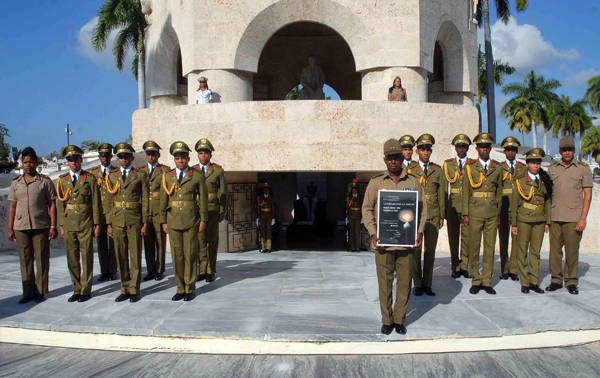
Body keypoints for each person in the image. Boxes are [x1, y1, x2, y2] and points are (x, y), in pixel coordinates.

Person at [362, 139, 426, 335]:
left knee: (405, 283)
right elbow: (366, 209)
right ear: (384, 160)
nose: (393, 162)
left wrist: (419, 232)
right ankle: (387, 320)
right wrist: (373, 232)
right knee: (385, 283)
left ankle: (399, 320)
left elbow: (423, 210)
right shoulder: (376, 182)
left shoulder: (414, 182)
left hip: (406, 243)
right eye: (389, 158)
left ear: (402, 158)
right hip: (383, 243)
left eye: (396, 158)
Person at [7, 147, 57, 304]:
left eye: (31, 162)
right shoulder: (16, 183)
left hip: (40, 225)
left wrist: (53, 226)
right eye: (25, 162)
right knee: (25, 260)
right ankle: (28, 292)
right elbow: (13, 206)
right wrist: (10, 228)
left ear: (37, 163)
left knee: (42, 258)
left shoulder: (44, 182)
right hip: (21, 226)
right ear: (21, 164)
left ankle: (41, 291)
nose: (28, 165)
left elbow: (52, 205)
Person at [160, 141, 208, 301]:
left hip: (191, 220)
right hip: (173, 221)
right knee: (177, 256)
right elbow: (163, 201)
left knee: (190, 255)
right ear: (174, 159)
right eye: (177, 158)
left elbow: (203, 200)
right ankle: (180, 288)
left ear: (188, 158)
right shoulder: (167, 177)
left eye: (183, 158)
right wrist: (163, 221)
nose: (180, 161)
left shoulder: (197, 176)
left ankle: (190, 288)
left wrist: (203, 220)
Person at [546, 136, 593, 295]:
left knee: (572, 251)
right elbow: (547, 194)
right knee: (555, 252)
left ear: (574, 150)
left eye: (570, 149)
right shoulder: (552, 168)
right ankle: (556, 280)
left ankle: (571, 281)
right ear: (559, 151)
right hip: (555, 216)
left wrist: (583, 218)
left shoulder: (583, 168)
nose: (567, 152)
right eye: (564, 149)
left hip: (574, 218)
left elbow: (587, 194)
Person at [57, 145, 101, 303]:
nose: (73, 163)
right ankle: (76, 288)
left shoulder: (89, 179)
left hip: (85, 223)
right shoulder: (63, 181)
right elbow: (61, 205)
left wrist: (97, 224)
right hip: (69, 224)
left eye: (76, 159)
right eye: (70, 160)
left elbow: (96, 203)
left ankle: (86, 289)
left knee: (86, 257)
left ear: (81, 160)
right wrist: (61, 225)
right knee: (72, 258)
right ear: (67, 162)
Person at [105, 142, 149, 302]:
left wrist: (145, 222)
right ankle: (124, 287)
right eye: (120, 157)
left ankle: (134, 289)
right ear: (117, 158)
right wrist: (109, 223)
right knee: (120, 255)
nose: (123, 159)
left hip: (134, 218)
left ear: (132, 157)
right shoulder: (111, 176)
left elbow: (145, 200)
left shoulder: (140, 175)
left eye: (126, 156)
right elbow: (109, 201)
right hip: (117, 219)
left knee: (135, 255)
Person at [462, 133, 503, 295]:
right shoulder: (470, 168)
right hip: (475, 211)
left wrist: (498, 213)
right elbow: (466, 192)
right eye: (482, 147)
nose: (485, 149)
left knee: (489, 247)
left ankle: (486, 280)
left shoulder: (497, 168)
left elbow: (499, 192)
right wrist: (466, 213)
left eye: (487, 147)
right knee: (474, 246)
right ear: (477, 148)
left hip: (492, 211)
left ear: (490, 149)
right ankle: (475, 279)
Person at [409, 134, 446, 297]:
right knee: (416, 252)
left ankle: (428, 284)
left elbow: (442, 194)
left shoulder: (437, 170)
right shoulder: (410, 171)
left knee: (430, 252)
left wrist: (442, 215)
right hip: (416, 215)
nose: (426, 152)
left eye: (428, 149)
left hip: (432, 215)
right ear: (417, 151)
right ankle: (417, 283)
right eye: (423, 149)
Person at [511, 148, 551, 294]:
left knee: (535, 252)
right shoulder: (520, 180)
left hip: (539, 219)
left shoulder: (544, 179)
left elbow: (547, 201)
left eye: (538, 162)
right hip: (524, 219)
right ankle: (525, 282)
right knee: (522, 252)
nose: (536, 165)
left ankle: (534, 281)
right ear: (527, 163)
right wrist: (514, 223)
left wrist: (548, 221)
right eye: (533, 162)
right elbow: (514, 203)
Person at [193, 138, 227, 283]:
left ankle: (211, 270)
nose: (203, 156)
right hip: (198, 210)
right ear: (198, 155)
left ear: (210, 155)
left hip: (213, 210)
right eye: (201, 153)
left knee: (212, 241)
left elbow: (223, 192)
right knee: (200, 241)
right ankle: (202, 270)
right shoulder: (193, 171)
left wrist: (223, 210)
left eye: (206, 153)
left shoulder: (217, 170)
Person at [138, 141, 170, 282]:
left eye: (154, 154)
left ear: (158, 155)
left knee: (160, 242)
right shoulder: (140, 171)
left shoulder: (165, 171)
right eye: (148, 154)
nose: (151, 157)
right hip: (145, 211)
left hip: (159, 210)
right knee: (148, 242)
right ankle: (150, 269)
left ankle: (160, 270)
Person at [444, 134, 472, 279]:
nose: (461, 149)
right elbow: (444, 188)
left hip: (468, 206)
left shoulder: (472, 164)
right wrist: (444, 209)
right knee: (453, 237)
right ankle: (455, 266)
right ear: (455, 148)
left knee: (466, 238)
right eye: (459, 146)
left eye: (464, 147)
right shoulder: (448, 164)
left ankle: (464, 266)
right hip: (453, 205)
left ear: (467, 148)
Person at [499, 136, 526, 281]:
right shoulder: (499, 167)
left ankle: (513, 269)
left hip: (518, 209)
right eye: (508, 150)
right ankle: (504, 268)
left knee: (516, 240)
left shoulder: (523, 168)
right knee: (503, 239)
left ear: (516, 151)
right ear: (504, 152)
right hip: (504, 207)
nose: (511, 152)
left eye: (513, 150)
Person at [91, 143, 118, 282]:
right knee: (101, 243)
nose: (105, 158)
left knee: (113, 244)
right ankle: (104, 271)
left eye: (107, 155)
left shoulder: (116, 172)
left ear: (111, 156)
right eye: (102, 156)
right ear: (99, 157)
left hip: (113, 212)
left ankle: (113, 270)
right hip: (99, 212)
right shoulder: (93, 174)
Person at [346, 179, 363, 252]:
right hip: (351, 215)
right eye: (353, 190)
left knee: (357, 231)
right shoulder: (349, 197)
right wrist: (346, 216)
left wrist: (363, 216)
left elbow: (362, 206)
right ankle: (352, 247)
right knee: (351, 231)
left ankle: (357, 247)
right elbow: (347, 207)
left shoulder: (360, 197)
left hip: (358, 215)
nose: (354, 191)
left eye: (355, 190)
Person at [257, 183, 275, 253]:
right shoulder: (260, 197)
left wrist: (273, 218)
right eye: (265, 190)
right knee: (262, 231)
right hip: (262, 215)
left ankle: (268, 247)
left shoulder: (271, 197)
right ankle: (263, 247)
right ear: (263, 190)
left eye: (267, 190)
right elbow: (258, 207)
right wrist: (257, 217)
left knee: (268, 231)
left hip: (269, 215)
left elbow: (273, 207)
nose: (266, 191)